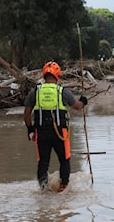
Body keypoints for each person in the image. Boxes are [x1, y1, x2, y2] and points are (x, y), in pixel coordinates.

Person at [23, 61, 88, 192]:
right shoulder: (63, 92)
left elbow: (26, 113)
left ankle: (43, 189)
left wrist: (30, 129)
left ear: (44, 75)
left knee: (43, 162)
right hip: (60, 133)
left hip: (41, 133)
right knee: (64, 160)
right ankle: (63, 187)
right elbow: (77, 107)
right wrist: (83, 101)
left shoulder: (35, 92)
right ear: (57, 75)